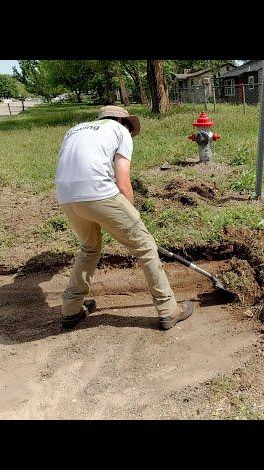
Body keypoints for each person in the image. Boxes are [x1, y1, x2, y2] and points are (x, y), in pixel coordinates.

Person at [54, 105, 194, 331]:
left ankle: (71, 309)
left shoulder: (75, 130)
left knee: (89, 248)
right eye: (129, 127)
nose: (130, 131)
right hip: (98, 191)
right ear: (122, 121)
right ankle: (168, 310)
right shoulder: (120, 131)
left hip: (66, 196)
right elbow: (122, 181)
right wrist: (133, 218)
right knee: (146, 246)